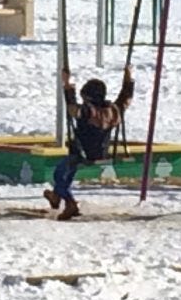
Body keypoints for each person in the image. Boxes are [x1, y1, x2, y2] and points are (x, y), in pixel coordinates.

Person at [44, 66, 134, 220]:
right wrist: (128, 77)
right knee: (69, 170)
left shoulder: (88, 111)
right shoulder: (114, 110)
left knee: (59, 174)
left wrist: (67, 85)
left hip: (83, 153)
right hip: (102, 153)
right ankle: (56, 196)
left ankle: (70, 202)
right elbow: (126, 97)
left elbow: (72, 109)